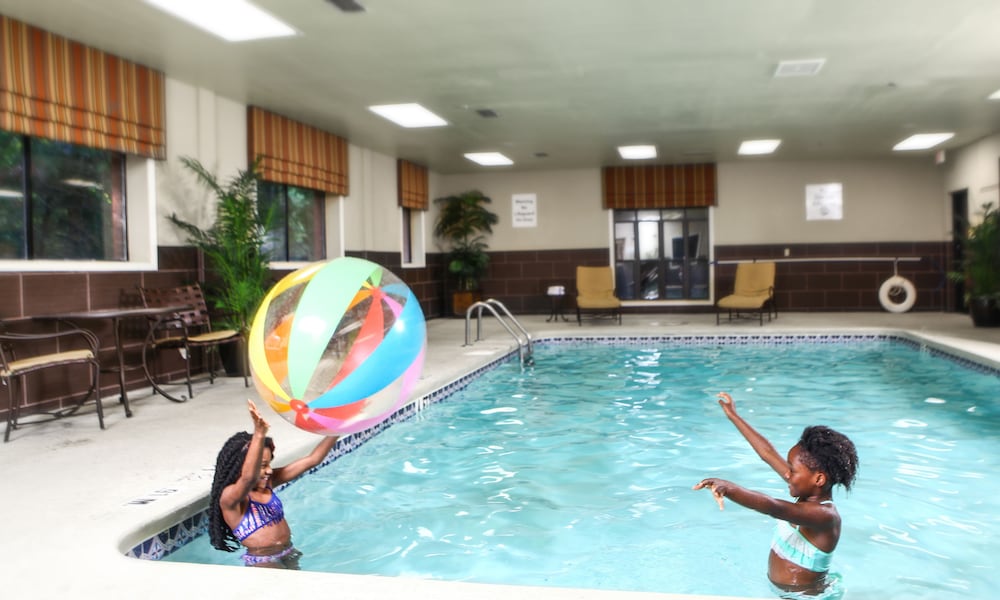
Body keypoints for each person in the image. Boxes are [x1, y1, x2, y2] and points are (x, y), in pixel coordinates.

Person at [693, 392, 858, 598]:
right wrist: (733, 416)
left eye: (793, 471)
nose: (787, 474)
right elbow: (768, 454)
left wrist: (728, 488)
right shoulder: (805, 490)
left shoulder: (824, 516)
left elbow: (772, 506)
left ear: (818, 479)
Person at [208, 399, 339, 568]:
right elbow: (247, 478)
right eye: (262, 466)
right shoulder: (231, 498)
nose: (269, 470)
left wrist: (338, 428)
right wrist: (259, 434)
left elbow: (312, 460)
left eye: (269, 463)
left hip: (288, 551)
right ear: (241, 467)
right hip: (264, 560)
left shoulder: (268, 482)